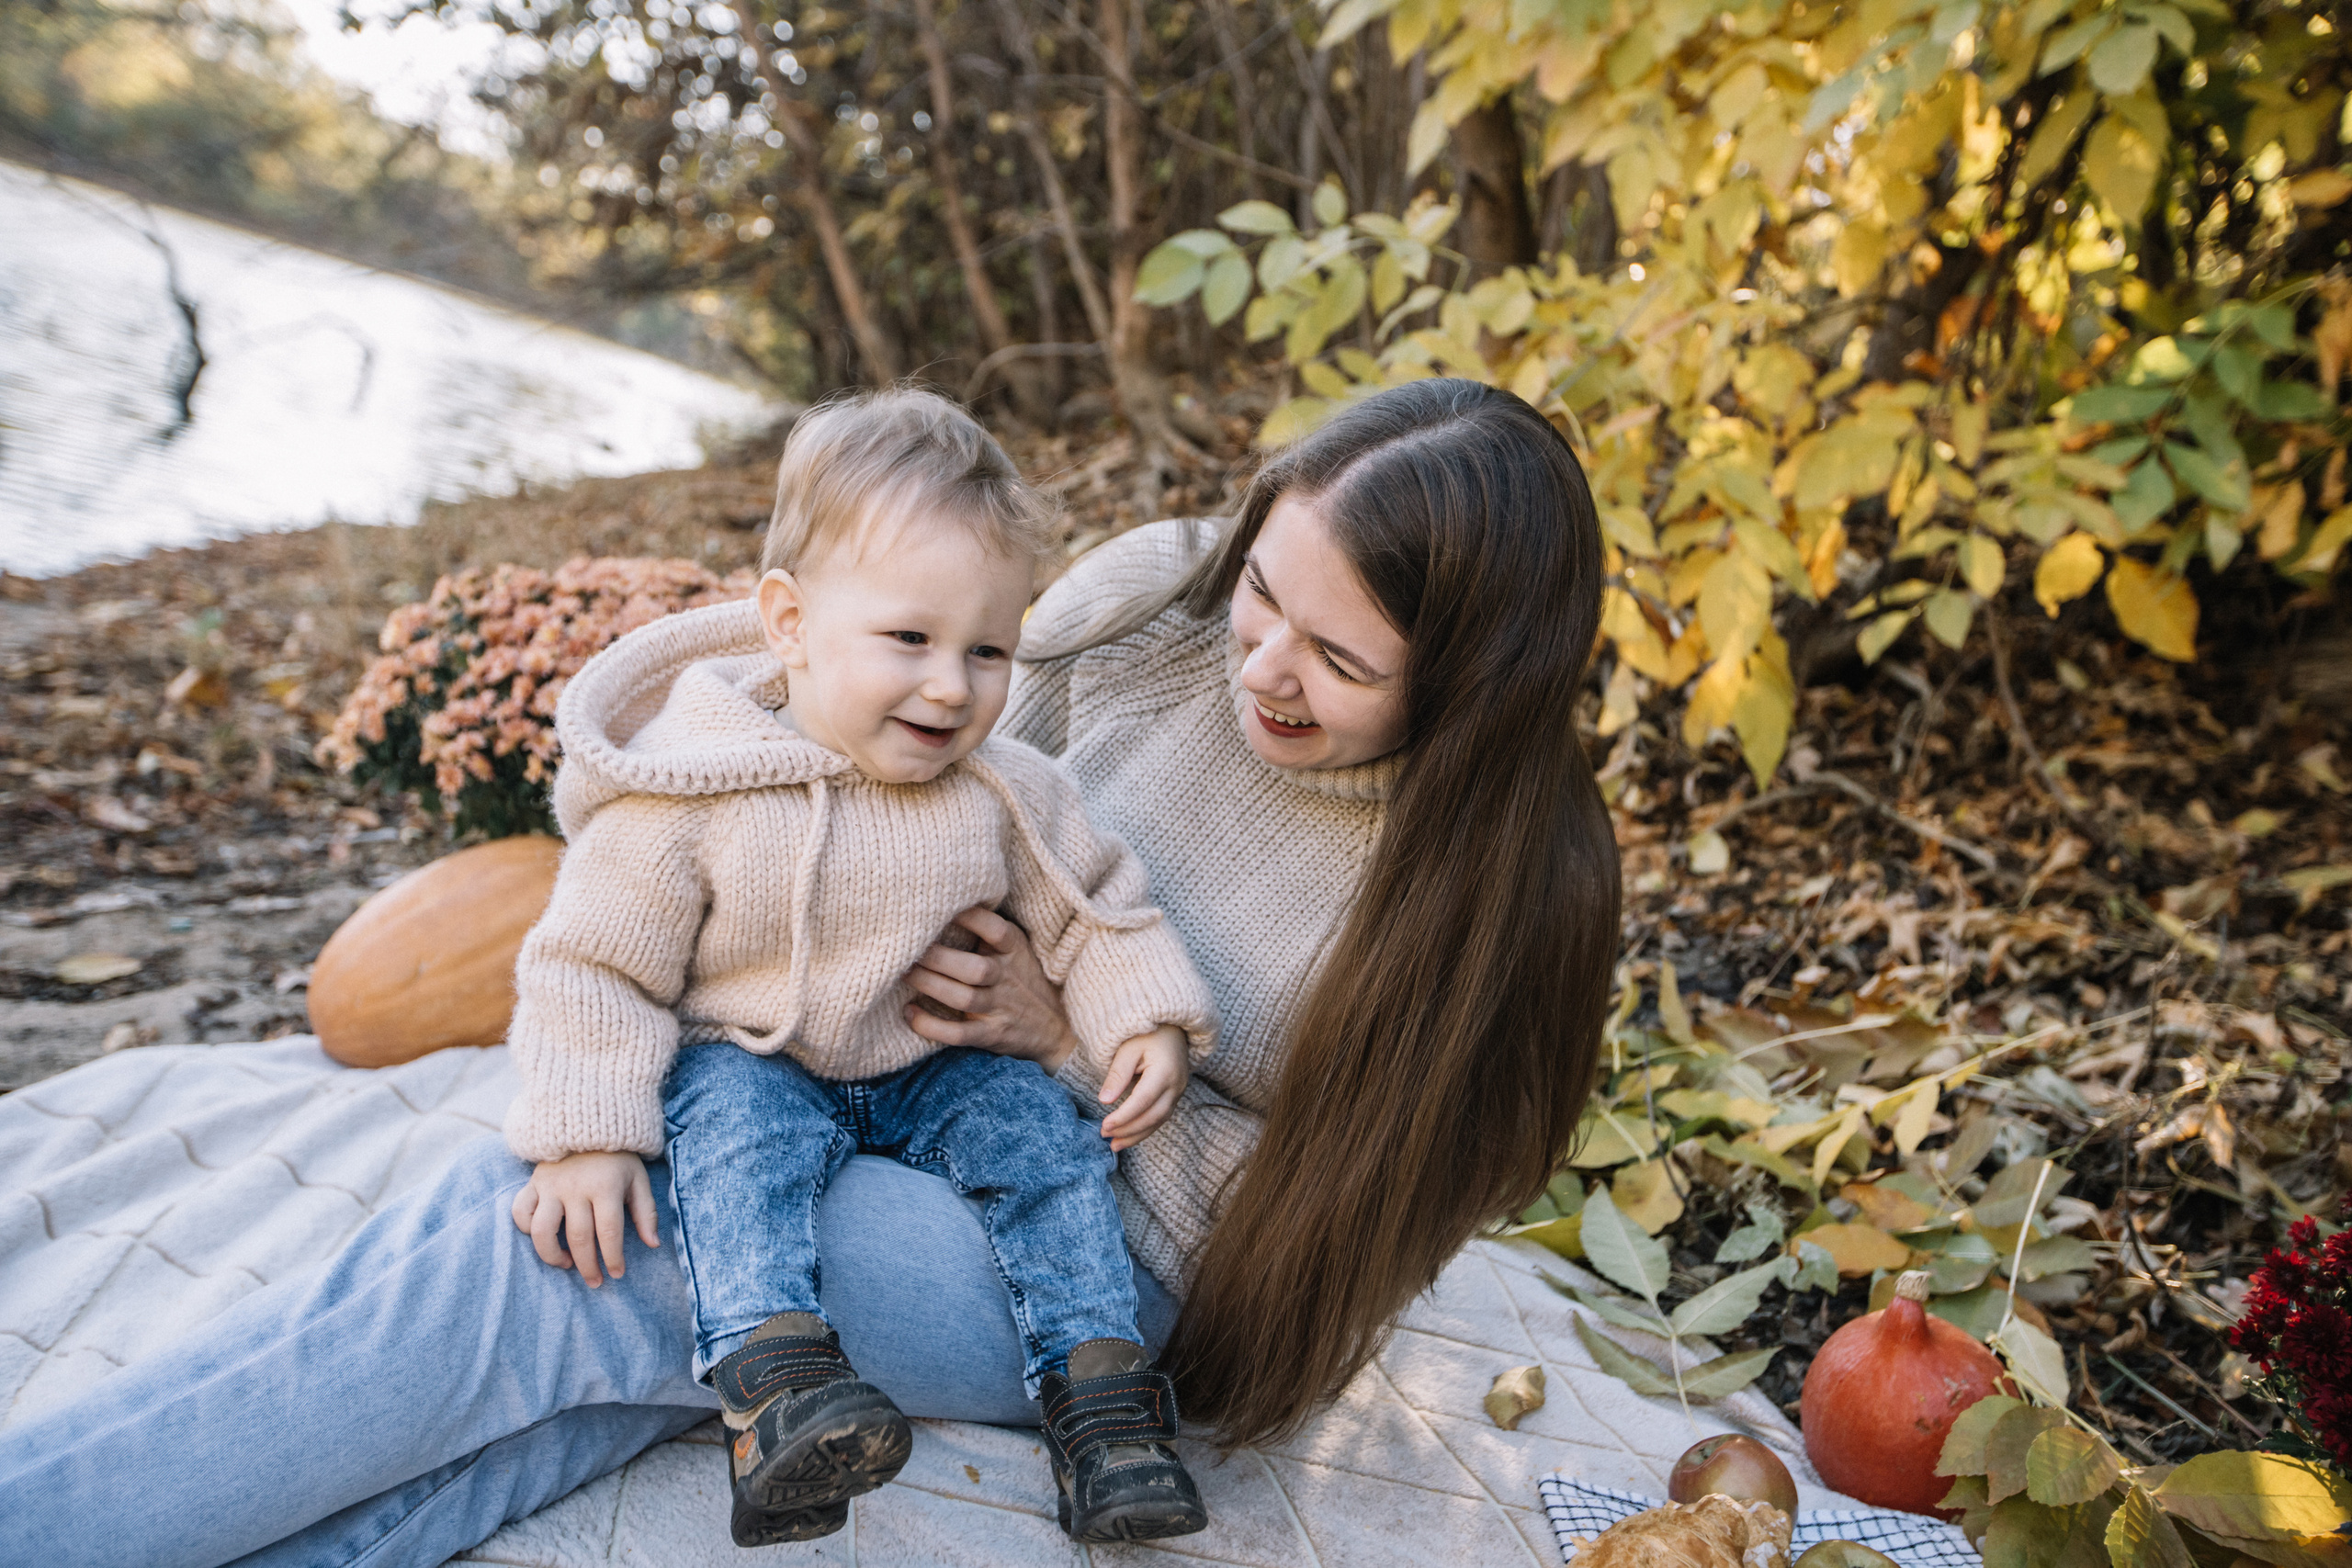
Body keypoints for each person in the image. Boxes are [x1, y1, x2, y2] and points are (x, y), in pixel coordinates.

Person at [0, 377, 1622, 1568]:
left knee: (576, 1257)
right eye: (1265, 592)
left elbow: (1311, 1255)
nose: (1261, 664)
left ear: (1474, 685)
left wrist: (1070, 1042)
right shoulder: (1149, 603)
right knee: (598, 1362)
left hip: (1091, 1267)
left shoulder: (1497, 900)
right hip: (839, 1090)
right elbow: (905, 743)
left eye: (1339, 661)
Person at [498, 388, 1216, 1547]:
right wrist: (585, 1131)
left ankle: (1103, 1403)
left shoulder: (1009, 790)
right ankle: (777, 1383)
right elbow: (594, 967)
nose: (951, 686)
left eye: (988, 650)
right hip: (757, 1053)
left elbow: (1099, 908)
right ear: (789, 620)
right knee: (734, 1137)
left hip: (932, 1062)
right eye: (910, 640)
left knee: (1043, 1137)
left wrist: (1144, 1022)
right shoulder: (700, 784)